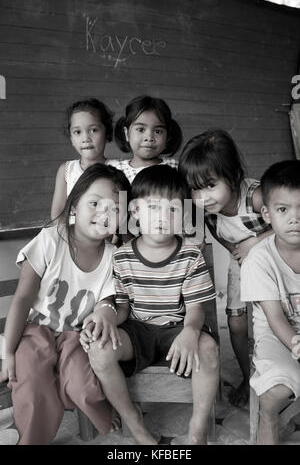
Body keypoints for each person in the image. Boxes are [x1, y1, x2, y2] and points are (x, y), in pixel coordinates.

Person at [81, 165, 219, 445]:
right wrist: (101, 320)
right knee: (99, 349)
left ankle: (196, 430)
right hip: (137, 331)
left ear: (185, 215)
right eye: (154, 207)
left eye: (173, 209)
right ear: (133, 212)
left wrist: (191, 332)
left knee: (208, 348)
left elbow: (195, 309)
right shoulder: (121, 257)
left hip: (176, 329)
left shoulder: (191, 255)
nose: (163, 217)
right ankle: (135, 424)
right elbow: (121, 309)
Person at [0, 163, 130, 445]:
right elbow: (22, 298)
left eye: (115, 208)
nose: (104, 214)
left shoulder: (114, 256)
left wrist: (104, 313)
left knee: (84, 387)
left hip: (76, 336)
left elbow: (107, 302)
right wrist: (8, 351)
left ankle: (102, 413)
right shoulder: (50, 239)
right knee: (32, 385)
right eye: (95, 203)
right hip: (36, 331)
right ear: (74, 204)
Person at [178, 130, 273, 407]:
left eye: (209, 185)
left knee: (278, 317)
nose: (203, 196)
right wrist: (239, 251)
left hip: (280, 258)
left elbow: (294, 223)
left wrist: (255, 241)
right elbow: (222, 237)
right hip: (242, 261)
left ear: (233, 175)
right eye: (195, 188)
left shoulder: (256, 196)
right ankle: (248, 376)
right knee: (235, 321)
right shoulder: (206, 211)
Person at [241, 160, 300, 445]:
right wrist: (297, 345)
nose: (295, 218)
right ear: (266, 213)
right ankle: (270, 420)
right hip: (278, 338)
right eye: (283, 209)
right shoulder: (259, 260)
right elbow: (275, 320)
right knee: (274, 391)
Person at [51, 98, 114, 220]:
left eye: (93, 130)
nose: (86, 138)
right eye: (78, 132)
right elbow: (57, 214)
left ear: (107, 134)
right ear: (71, 138)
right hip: (70, 235)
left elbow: (121, 215)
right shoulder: (66, 170)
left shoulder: (118, 169)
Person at [106, 95, 182, 183]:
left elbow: (186, 196)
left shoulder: (176, 168)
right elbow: (121, 196)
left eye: (158, 131)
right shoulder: (117, 171)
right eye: (141, 130)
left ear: (167, 136)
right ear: (127, 134)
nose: (149, 138)